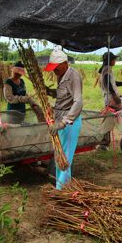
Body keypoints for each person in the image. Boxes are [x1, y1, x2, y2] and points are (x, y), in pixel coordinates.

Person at [44, 50, 83, 189]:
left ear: (65, 63)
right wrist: (49, 92)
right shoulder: (61, 74)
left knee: (64, 159)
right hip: (60, 121)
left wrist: (63, 122)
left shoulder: (74, 76)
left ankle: (62, 191)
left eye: (56, 67)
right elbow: (64, 96)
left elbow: (78, 102)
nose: (54, 70)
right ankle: (63, 187)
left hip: (69, 123)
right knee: (60, 156)